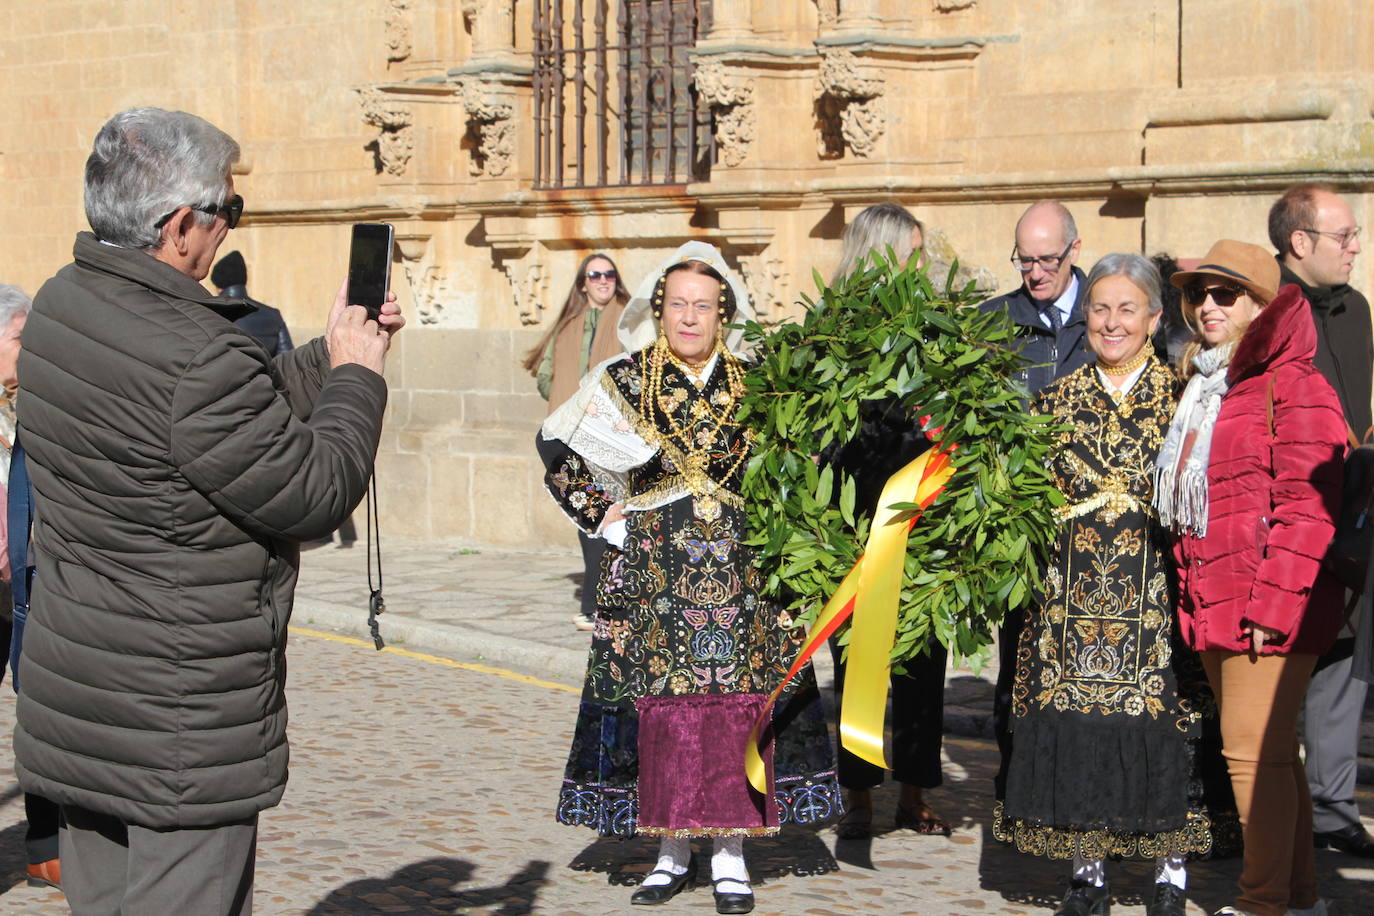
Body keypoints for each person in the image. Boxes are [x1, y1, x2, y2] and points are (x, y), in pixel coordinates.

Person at [11, 107, 403, 915]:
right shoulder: (196, 354)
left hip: (84, 695)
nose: (229, 228)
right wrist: (360, 377)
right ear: (180, 224)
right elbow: (314, 490)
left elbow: (202, 425)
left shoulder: (60, 304)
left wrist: (325, 356)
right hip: (179, 718)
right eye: (229, 211)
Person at [540, 241, 839, 914]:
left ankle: (731, 854)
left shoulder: (760, 383)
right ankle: (670, 852)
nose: (689, 318)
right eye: (677, 305)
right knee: (666, 707)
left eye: (702, 307)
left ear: (723, 313)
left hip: (742, 573)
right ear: (659, 309)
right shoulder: (625, 379)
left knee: (734, 706)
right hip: (653, 571)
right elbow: (563, 459)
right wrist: (606, 517)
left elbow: (801, 467)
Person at [993, 255, 1213, 916]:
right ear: (1083, 316)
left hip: (1156, 603)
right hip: (1071, 604)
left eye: (1126, 309)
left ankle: (1169, 872)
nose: (1111, 322)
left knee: (1165, 728)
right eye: (1099, 308)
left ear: (1153, 319)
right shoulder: (1053, 402)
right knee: (1082, 729)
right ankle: (1086, 871)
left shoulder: (1185, 400)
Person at [1157, 240, 1345, 916]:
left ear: (1265, 304)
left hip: (1267, 605)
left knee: (1248, 754)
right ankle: (1296, 899)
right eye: (1199, 292)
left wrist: (1272, 605)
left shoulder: (1294, 382)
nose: (1207, 305)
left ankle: (1261, 902)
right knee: (1271, 757)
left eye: (1225, 293)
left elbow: (1309, 506)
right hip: (1217, 599)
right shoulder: (1210, 385)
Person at [820, 203, 949, 839]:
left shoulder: (935, 329)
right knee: (860, 667)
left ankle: (914, 791)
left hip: (926, 515)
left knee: (924, 663)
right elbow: (829, 437)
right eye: (911, 250)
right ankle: (860, 794)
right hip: (858, 518)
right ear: (880, 253)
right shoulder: (835, 332)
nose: (920, 263)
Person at [1268, 184, 1374, 859]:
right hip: (1289, 518)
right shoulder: (1267, 312)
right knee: (1282, 666)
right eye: (1345, 236)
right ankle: (1261, 802)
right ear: (1299, 243)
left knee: (1343, 658)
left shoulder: (1358, 309)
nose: (1357, 247)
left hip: (1355, 511)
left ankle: (1333, 807)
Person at [980, 200, 1095, 803]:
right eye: (1025, 260)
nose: (1035, 272)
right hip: (1017, 525)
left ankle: (1078, 785)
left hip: (1094, 529)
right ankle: (1016, 784)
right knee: (1020, 657)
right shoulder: (993, 321)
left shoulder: (1105, 318)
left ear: (1075, 251)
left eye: (1047, 258)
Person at [526, 253, 632, 630]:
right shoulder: (568, 325)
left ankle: (598, 602)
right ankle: (596, 601)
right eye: (595, 275)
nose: (603, 280)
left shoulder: (628, 318)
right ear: (583, 283)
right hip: (568, 433)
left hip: (609, 433)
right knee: (587, 514)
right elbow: (546, 375)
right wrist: (566, 400)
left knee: (608, 513)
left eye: (609, 274)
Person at [0, 284, 62, 890]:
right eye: (20, 340)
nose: (29, 353)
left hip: (25, 590)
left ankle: (47, 847)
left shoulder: (32, 405)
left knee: (38, 716)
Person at [212, 249, 294, 357]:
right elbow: (287, 359)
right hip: (265, 373)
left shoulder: (211, 315)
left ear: (218, 286)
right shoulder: (273, 315)